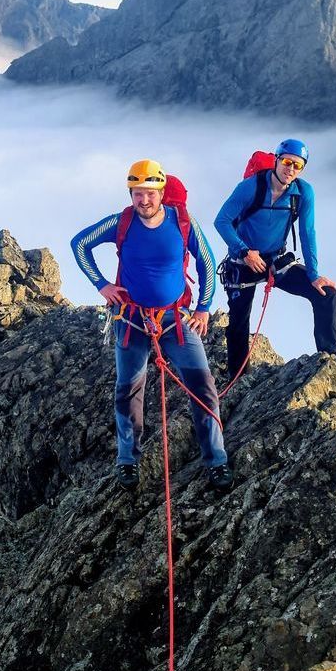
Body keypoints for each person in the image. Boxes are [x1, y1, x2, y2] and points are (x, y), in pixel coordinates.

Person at [70, 159, 232, 492]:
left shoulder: (183, 222)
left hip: (175, 318)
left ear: (161, 192)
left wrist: (203, 309)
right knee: (128, 391)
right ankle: (127, 460)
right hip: (131, 318)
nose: (144, 200)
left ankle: (216, 460)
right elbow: (80, 244)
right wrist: (102, 285)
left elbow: (206, 262)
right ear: (131, 194)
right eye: (137, 193)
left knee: (203, 388)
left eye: (149, 193)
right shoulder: (122, 223)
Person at [212, 138, 336, 385]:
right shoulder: (250, 187)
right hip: (243, 261)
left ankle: (328, 360)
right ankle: (237, 379)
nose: (291, 169)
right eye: (287, 162)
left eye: (297, 166)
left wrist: (314, 275)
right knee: (239, 320)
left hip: (276, 260)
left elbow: (307, 232)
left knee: (326, 294)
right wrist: (244, 252)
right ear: (277, 161)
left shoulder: (302, 193)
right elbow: (222, 221)